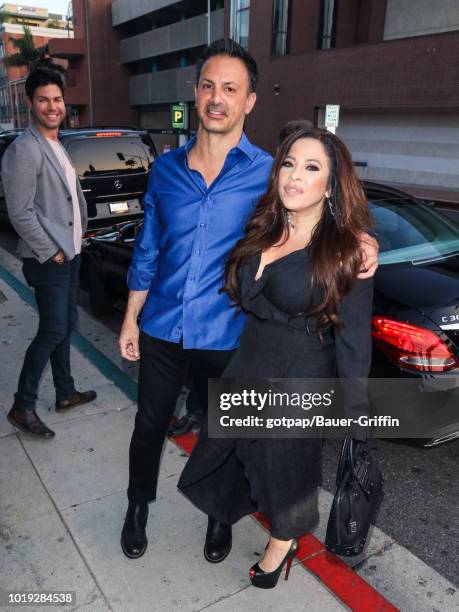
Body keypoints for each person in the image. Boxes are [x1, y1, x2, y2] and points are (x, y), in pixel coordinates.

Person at [118, 38, 378, 560]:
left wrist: (366, 240)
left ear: (249, 101)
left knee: (227, 436)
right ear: (196, 94)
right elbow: (148, 249)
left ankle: (221, 519)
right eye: (209, 86)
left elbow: (317, 207)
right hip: (164, 326)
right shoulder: (166, 170)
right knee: (148, 424)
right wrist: (130, 318)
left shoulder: (269, 171)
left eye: (230, 89)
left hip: (228, 333)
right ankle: (137, 506)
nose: (218, 98)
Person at [178, 125, 373, 588]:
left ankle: (282, 542)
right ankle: (230, 517)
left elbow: (354, 341)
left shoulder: (348, 251)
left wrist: (358, 416)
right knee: (224, 452)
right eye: (288, 163)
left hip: (299, 378)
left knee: (283, 469)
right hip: (250, 363)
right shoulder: (263, 225)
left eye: (311, 168)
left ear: (331, 184)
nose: (294, 176)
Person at [2, 69, 96, 439]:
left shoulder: (57, 143)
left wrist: (77, 239)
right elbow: (20, 212)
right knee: (53, 329)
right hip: (49, 259)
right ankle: (22, 406)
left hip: (70, 253)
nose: (52, 106)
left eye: (57, 99)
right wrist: (52, 252)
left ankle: (65, 392)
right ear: (30, 104)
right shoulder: (23, 150)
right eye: (43, 99)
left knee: (65, 325)